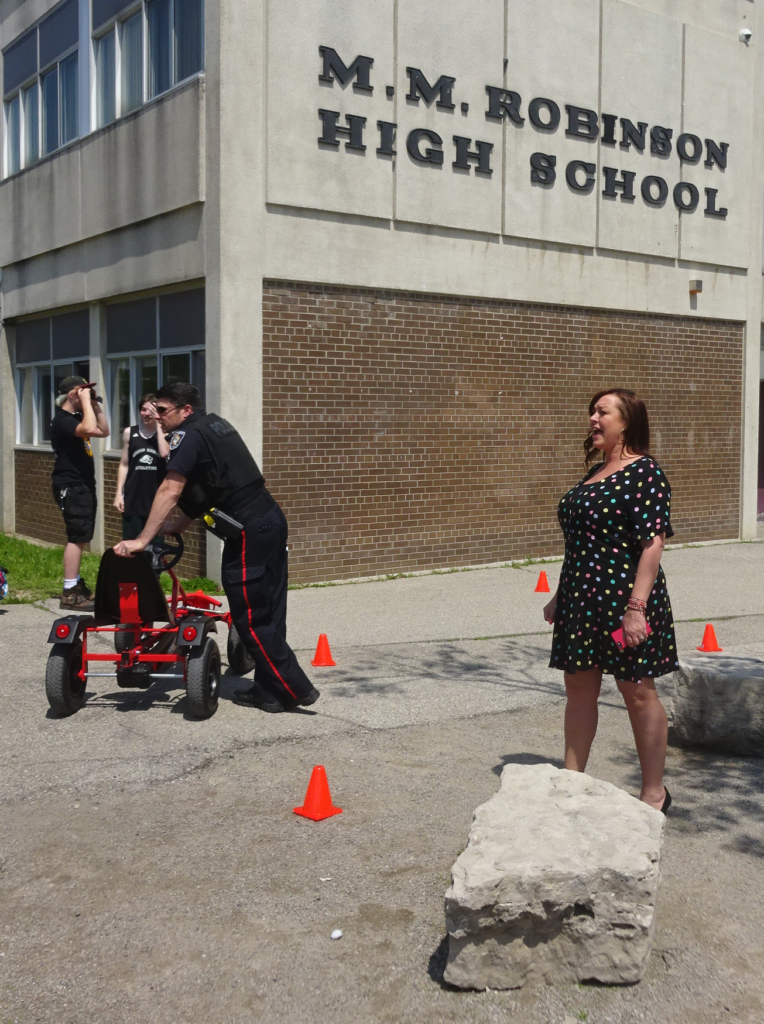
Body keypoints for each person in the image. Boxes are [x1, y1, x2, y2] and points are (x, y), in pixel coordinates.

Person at [112, 382, 319, 714]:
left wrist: (142, 539)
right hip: (270, 520)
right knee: (269, 612)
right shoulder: (214, 425)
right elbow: (213, 483)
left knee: (250, 618)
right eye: (154, 409)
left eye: (162, 410)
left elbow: (170, 490)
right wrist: (178, 525)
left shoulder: (188, 436)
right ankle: (268, 692)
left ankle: (296, 688)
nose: (157, 416)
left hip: (250, 531)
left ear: (185, 410)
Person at [543, 389, 677, 813]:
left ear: (626, 421)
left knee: (637, 693)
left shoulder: (645, 473)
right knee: (578, 691)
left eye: (603, 412)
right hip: (581, 603)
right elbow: (583, 545)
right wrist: (559, 596)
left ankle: (654, 793)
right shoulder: (595, 474)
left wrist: (636, 609)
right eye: (592, 412)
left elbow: (652, 545)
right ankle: (571, 783)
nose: (593, 419)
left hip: (625, 602)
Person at [51, 376, 110, 610]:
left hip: (82, 484)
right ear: (73, 394)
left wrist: (95, 405)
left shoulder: (77, 417)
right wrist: (86, 403)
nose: (88, 394)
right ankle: (70, 592)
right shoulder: (63, 420)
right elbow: (87, 428)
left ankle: (75, 585)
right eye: (84, 391)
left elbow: (103, 431)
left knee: (82, 536)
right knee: (76, 538)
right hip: (71, 485)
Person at [113, 394, 169, 540]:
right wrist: (119, 493)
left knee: (155, 548)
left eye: (151, 410)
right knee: (130, 546)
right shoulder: (129, 433)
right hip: (133, 499)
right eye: (143, 410)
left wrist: (158, 421)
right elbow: (124, 464)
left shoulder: (164, 435)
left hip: (155, 499)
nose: (146, 414)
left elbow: (165, 453)